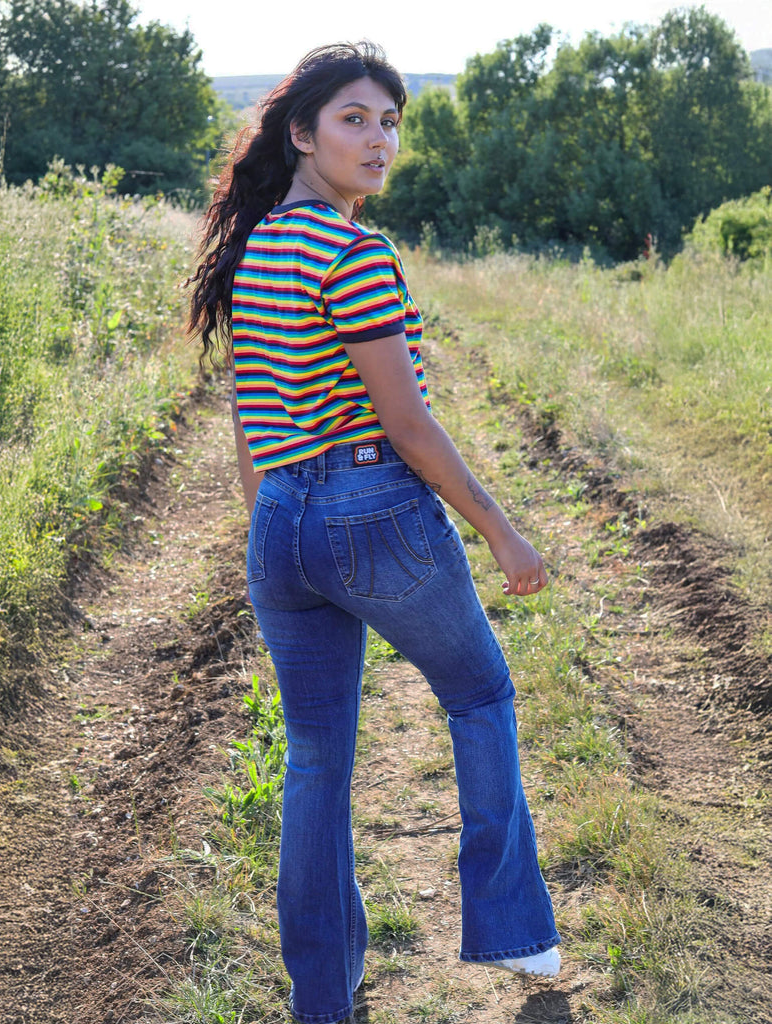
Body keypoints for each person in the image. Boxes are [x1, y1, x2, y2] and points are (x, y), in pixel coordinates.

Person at [188, 41, 561, 1024]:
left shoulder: (255, 243)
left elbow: (247, 408)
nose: (380, 138)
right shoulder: (352, 251)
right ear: (303, 133)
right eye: (356, 118)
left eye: (391, 120)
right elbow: (408, 423)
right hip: (372, 513)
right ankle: (517, 931)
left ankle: (325, 990)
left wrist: (264, 519)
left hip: (282, 521)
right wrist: (503, 532)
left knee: (316, 759)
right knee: (481, 693)